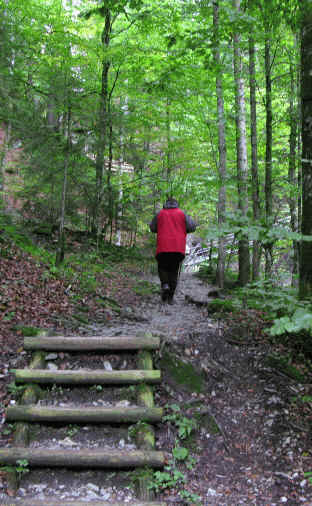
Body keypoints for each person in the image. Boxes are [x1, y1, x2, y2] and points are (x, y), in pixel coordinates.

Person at [149, 197, 197, 303]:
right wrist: (182, 230)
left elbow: (152, 228)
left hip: (163, 246)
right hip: (178, 247)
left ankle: (165, 284)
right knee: (174, 271)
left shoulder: (160, 214)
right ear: (176, 204)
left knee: (162, 267)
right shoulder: (182, 214)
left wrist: (161, 228)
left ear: (165, 204)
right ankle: (170, 298)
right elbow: (192, 227)